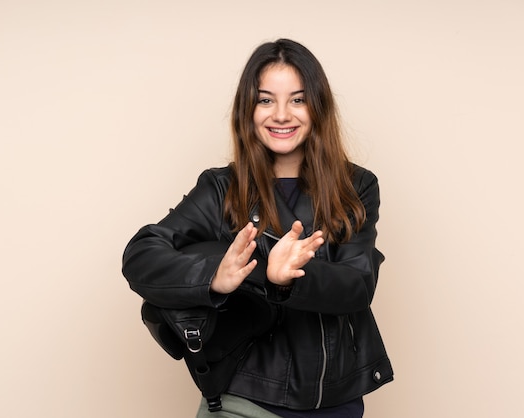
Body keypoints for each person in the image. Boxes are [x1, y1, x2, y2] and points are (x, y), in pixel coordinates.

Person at [122, 38, 393, 417]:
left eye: (297, 99)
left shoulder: (357, 186)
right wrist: (214, 277)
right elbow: (141, 254)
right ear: (247, 110)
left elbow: (358, 285)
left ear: (318, 107)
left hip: (337, 401)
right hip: (244, 399)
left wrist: (288, 278)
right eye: (266, 100)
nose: (281, 114)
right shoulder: (221, 189)